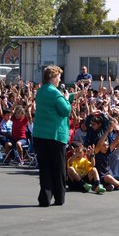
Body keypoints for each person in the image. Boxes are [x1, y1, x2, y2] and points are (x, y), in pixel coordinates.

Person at [33, 65, 83, 207]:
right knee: (59, 167)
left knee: (45, 168)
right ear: (53, 77)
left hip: (40, 135)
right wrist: (67, 99)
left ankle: (45, 197)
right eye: (59, 76)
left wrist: (73, 95)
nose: (60, 79)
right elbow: (65, 109)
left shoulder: (41, 91)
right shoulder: (55, 93)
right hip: (55, 135)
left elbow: (60, 100)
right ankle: (59, 197)